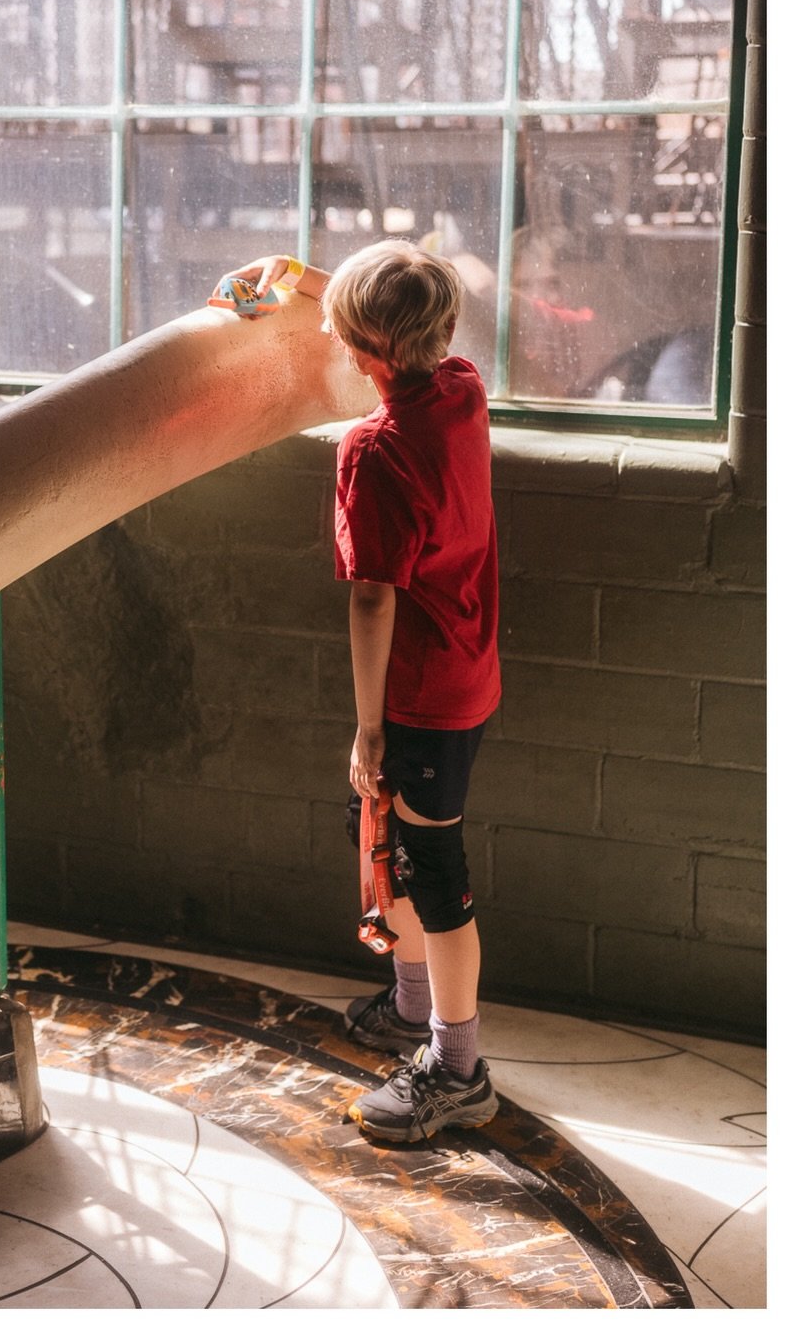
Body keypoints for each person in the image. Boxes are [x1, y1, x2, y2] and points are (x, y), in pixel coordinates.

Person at [227, 240, 501, 1142]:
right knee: (383, 840)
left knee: (436, 876)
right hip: (468, 672)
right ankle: (411, 1004)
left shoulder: (375, 449)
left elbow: (374, 598)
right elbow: (399, 319)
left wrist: (369, 729)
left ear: (354, 347)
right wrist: (307, 281)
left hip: (419, 695)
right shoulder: (459, 387)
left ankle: (457, 1069)